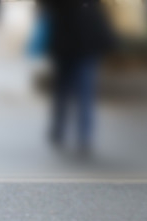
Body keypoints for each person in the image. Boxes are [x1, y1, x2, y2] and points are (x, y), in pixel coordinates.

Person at [41, 0, 115, 156]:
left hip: (72, 41)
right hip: (77, 41)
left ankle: (68, 133)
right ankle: (79, 135)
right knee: (80, 90)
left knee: (69, 90)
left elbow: (47, 8)